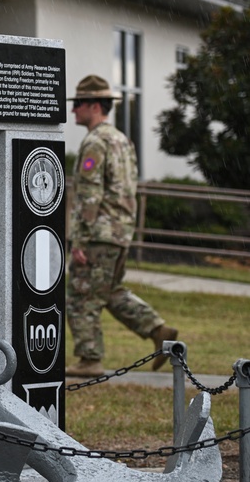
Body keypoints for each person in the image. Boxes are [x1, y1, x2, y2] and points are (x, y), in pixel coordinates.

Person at [65, 75, 177, 378]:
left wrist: (80, 240)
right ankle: (158, 329)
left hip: (99, 233)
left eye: (77, 104)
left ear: (93, 106)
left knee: (80, 295)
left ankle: (90, 359)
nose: (73, 110)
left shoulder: (95, 142)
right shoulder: (121, 140)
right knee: (109, 290)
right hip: (119, 232)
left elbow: (90, 194)